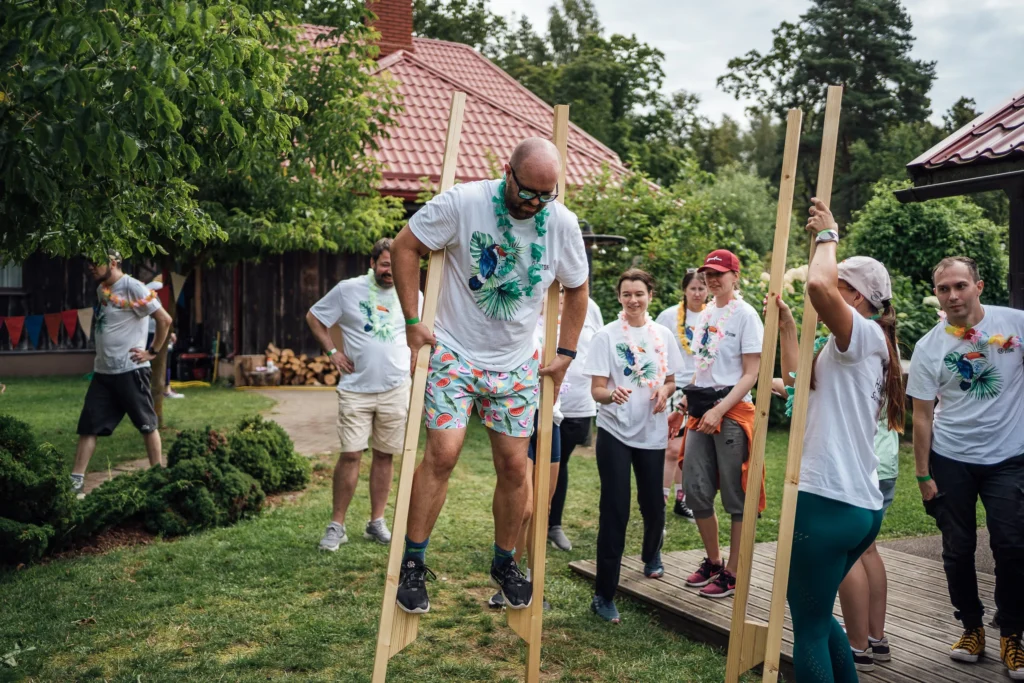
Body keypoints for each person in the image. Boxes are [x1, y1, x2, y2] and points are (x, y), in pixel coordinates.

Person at [390, 137, 589, 614]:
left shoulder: (560, 224)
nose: (535, 203)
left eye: (547, 195)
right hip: (454, 352)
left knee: (515, 466)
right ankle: (413, 563)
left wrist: (565, 352)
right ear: (508, 173)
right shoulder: (464, 202)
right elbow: (405, 246)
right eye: (528, 192)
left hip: (518, 362)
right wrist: (414, 320)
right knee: (443, 453)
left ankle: (505, 562)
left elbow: (578, 289)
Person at [771, 198, 906, 681]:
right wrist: (789, 328)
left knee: (806, 627)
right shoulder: (856, 345)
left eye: (842, 287)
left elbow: (816, 282)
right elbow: (798, 388)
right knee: (817, 616)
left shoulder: (862, 335)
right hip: (854, 503)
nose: (829, 293)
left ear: (860, 298)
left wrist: (828, 235)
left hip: (827, 499)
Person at [907, 255, 1024, 679]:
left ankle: (1012, 634)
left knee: (1012, 544)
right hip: (951, 457)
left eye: (960, 285)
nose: (953, 295)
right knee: (957, 550)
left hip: (1009, 458)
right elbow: (921, 416)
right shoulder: (929, 346)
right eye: (944, 289)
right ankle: (971, 629)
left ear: (979, 285)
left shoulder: (1015, 324)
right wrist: (923, 475)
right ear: (937, 295)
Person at [306, 238, 422, 551]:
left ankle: (376, 522)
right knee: (351, 453)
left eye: (394, 265)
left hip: (397, 388)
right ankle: (337, 525)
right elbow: (314, 317)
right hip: (356, 389)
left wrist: (415, 354)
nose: (390, 271)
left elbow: (421, 331)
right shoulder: (348, 290)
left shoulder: (412, 293)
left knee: (385, 455)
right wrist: (332, 351)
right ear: (372, 264)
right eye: (385, 264)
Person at [584, 268, 684, 623]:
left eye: (639, 293)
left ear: (650, 295)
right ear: (620, 298)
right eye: (626, 294)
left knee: (653, 505)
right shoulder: (606, 337)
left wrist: (664, 390)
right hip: (614, 431)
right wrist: (610, 394)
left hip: (652, 432)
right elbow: (596, 389)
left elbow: (672, 381)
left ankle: (651, 553)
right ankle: (603, 595)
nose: (633, 300)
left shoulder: (663, 335)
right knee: (615, 509)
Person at [679, 249, 763, 599]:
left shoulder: (746, 315)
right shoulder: (706, 313)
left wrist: (719, 410)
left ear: (735, 276)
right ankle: (714, 561)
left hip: (732, 411)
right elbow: (703, 366)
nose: (712, 280)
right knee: (695, 487)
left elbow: (752, 373)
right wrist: (686, 404)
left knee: (735, 494)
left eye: (719, 274)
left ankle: (734, 571)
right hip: (702, 410)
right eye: (708, 275)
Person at [72, 250, 171, 494]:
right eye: (89, 263)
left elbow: (164, 319)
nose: (90, 267)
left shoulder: (134, 287)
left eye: (95, 262)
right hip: (103, 373)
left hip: (131, 370)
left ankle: (157, 478)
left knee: (147, 424)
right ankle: (76, 480)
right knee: (88, 426)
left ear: (114, 263)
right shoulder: (102, 290)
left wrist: (153, 352)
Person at [835, 415, 899, 672]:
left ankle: (858, 646)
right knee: (868, 549)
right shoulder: (889, 371)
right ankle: (876, 638)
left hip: (860, 463)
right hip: (885, 462)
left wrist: (785, 387)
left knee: (848, 549)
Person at [547, 288, 603, 552]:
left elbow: (601, 348)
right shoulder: (539, 298)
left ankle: (553, 525)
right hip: (540, 400)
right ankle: (528, 520)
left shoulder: (589, 306)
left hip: (578, 402)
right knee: (532, 461)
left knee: (560, 461)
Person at [655, 268, 707, 521]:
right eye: (693, 288)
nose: (697, 293)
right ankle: (661, 500)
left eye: (702, 288)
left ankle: (681, 498)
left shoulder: (713, 316)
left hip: (701, 389)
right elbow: (655, 348)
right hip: (674, 387)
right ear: (684, 290)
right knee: (671, 448)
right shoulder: (668, 317)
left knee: (688, 451)